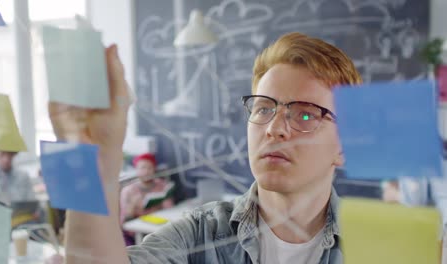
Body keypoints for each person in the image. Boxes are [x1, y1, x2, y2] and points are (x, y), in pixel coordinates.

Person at [48, 33, 361, 263]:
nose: (274, 128)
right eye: (264, 108)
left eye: (305, 114)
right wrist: (93, 164)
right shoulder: (201, 234)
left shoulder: (376, 247)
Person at [120, 153, 174, 245]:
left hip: (158, 228)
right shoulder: (128, 190)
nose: (146, 171)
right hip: (136, 232)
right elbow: (124, 221)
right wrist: (132, 205)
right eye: (143, 168)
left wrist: (166, 197)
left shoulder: (162, 185)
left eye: (150, 168)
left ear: (154, 169)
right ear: (136, 169)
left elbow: (169, 209)